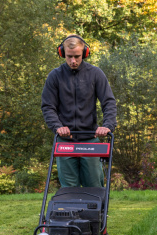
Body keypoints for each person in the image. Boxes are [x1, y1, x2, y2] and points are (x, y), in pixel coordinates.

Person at [41, 34, 117, 188]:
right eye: (69, 57)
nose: (73, 61)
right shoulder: (55, 76)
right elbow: (48, 106)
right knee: (68, 188)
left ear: (85, 53)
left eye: (77, 56)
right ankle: (71, 213)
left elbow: (109, 102)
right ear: (62, 53)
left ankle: (96, 213)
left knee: (94, 186)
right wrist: (57, 127)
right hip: (65, 141)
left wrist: (107, 126)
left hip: (90, 139)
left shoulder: (95, 74)